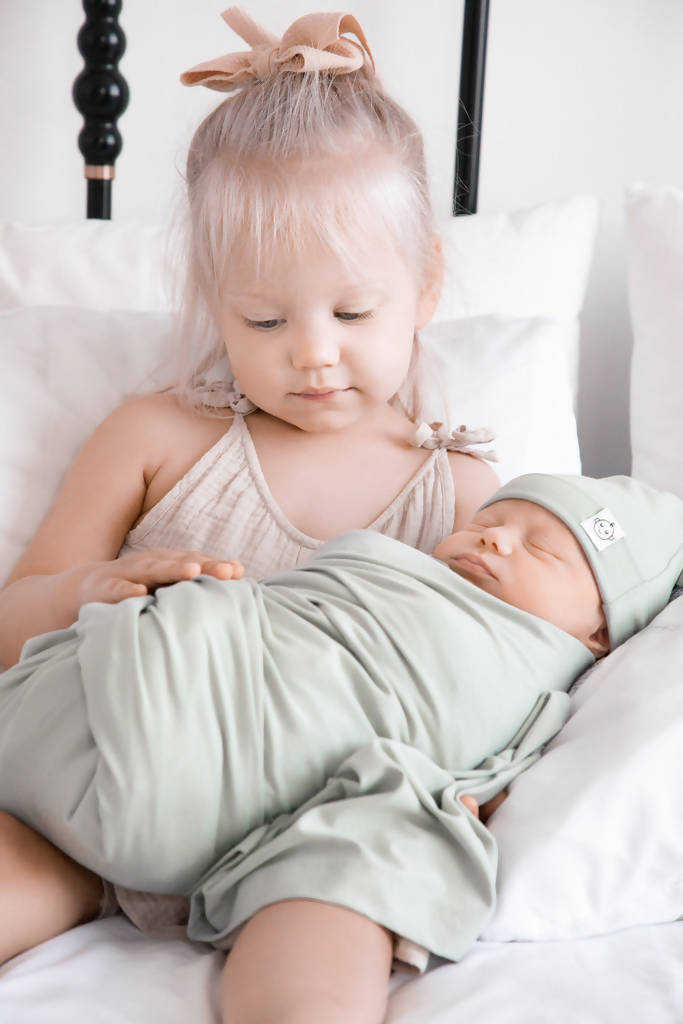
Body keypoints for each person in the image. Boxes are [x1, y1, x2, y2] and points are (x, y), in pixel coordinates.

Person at [0, 7, 500, 1020]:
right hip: (108, 794)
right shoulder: (155, 436)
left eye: (351, 312)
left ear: (424, 286)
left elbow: (498, 674)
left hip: (313, 824)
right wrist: (88, 589)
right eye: (263, 318)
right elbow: (13, 624)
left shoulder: (456, 489)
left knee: (322, 947)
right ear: (212, 298)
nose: (310, 351)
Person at [1, 472, 682, 1024]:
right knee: (379, 834)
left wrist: (469, 792)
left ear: (598, 632)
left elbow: (501, 768)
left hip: (197, 779)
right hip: (150, 686)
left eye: (542, 549)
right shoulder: (375, 564)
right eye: (487, 521)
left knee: (380, 840)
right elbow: (286, 607)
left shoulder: (548, 680)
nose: (495, 537)